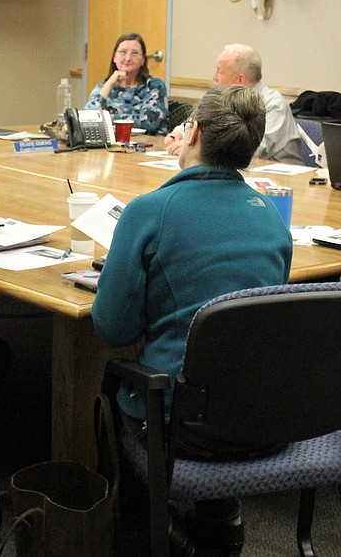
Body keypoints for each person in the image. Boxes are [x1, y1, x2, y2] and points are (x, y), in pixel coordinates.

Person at [93, 84, 294, 557]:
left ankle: (145, 529)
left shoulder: (149, 211)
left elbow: (113, 329)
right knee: (220, 372)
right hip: (265, 418)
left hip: (180, 429)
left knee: (122, 386)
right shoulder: (271, 217)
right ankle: (221, 524)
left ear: (194, 132)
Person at [164, 44, 302, 164]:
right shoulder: (221, 98)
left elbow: (251, 149)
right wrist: (178, 134)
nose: (214, 77)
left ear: (240, 79)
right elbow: (195, 122)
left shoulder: (274, 104)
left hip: (280, 179)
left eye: (219, 71)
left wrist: (194, 145)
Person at [83, 32, 168, 135]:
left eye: (134, 53)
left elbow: (149, 122)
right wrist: (109, 84)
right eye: (123, 52)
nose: (128, 59)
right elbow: (88, 118)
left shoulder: (154, 86)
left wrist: (112, 118)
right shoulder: (104, 87)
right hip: (112, 146)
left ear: (143, 60)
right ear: (114, 57)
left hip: (148, 146)